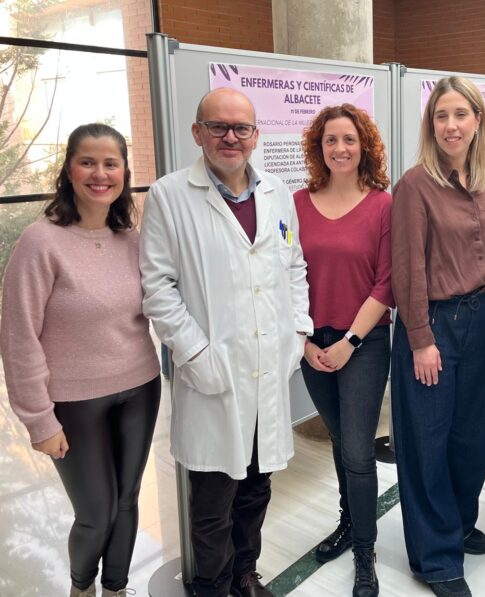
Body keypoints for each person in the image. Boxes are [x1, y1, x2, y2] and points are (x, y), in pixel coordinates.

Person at [139, 88, 312, 597]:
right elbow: (158, 287)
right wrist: (195, 354)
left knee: (257, 486)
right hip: (212, 370)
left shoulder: (277, 192)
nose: (230, 137)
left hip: (267, 366)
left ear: (256, 135)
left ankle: (244, 574)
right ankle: (211, 586)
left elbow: (295, 265)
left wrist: (297, 330)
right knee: (213, 500)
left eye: (241, 128)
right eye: (218, 127)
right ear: (198, 133)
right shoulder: (169, 195)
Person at [0, 123, 161, 597]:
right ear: (68, 170)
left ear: (124, 172)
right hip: (73, 401)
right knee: (95, 513)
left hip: (140, 386)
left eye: (111, 163)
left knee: (127, 502)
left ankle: (116, 589)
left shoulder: (131, 239)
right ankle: (82, 588)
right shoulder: (40, 242)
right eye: (87, 162)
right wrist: (39, 420)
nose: (100, 174)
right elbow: (19, 336)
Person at [390, 76, 485, 597]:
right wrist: (420, 338)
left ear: (478, 120)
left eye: (460, 114)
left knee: (472, 438)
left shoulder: (484, 182)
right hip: (433, 324)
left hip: (481, 321)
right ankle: (435, 558)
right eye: (440, 116)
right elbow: (407, 265)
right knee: (427, 442)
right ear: (430, 125)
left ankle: (456, 522)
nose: (450, 125)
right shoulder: (415, 184)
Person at [294, 104, 393, 597]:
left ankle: (364, 552)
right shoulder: (296, 203)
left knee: (357, 450)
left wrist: (350, 341)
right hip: (312, 344)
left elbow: (386, 283)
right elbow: (284, 275)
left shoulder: (382, 205)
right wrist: (304, 341)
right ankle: (348, 522)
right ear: (319, 148)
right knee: (339, 441)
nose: (340, 148)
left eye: (349, 139)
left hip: (364, 343)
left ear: (364, 146)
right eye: (330, 140)